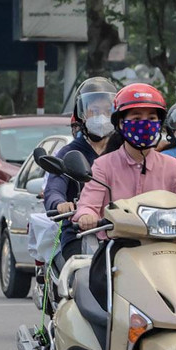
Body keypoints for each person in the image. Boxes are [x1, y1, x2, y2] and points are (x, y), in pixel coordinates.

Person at [75, 85, 176, 324]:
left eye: (152, 118)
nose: (145, 124)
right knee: (102, 298)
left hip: (169, 248)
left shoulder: (172, 166)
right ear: (121, 124)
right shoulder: (104, 165)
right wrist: (86, 215)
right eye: (136, 118)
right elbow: (89, 204)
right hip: (119, 249)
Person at [44, 78, 120, 268]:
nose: (101, 116)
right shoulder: (69, 153)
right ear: (81, 113)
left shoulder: (124, 151)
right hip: (80, 232)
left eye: (107, 110)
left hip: (123, 231)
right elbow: (53, 188)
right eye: (94, 110)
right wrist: (60, 204)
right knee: (80, 277)